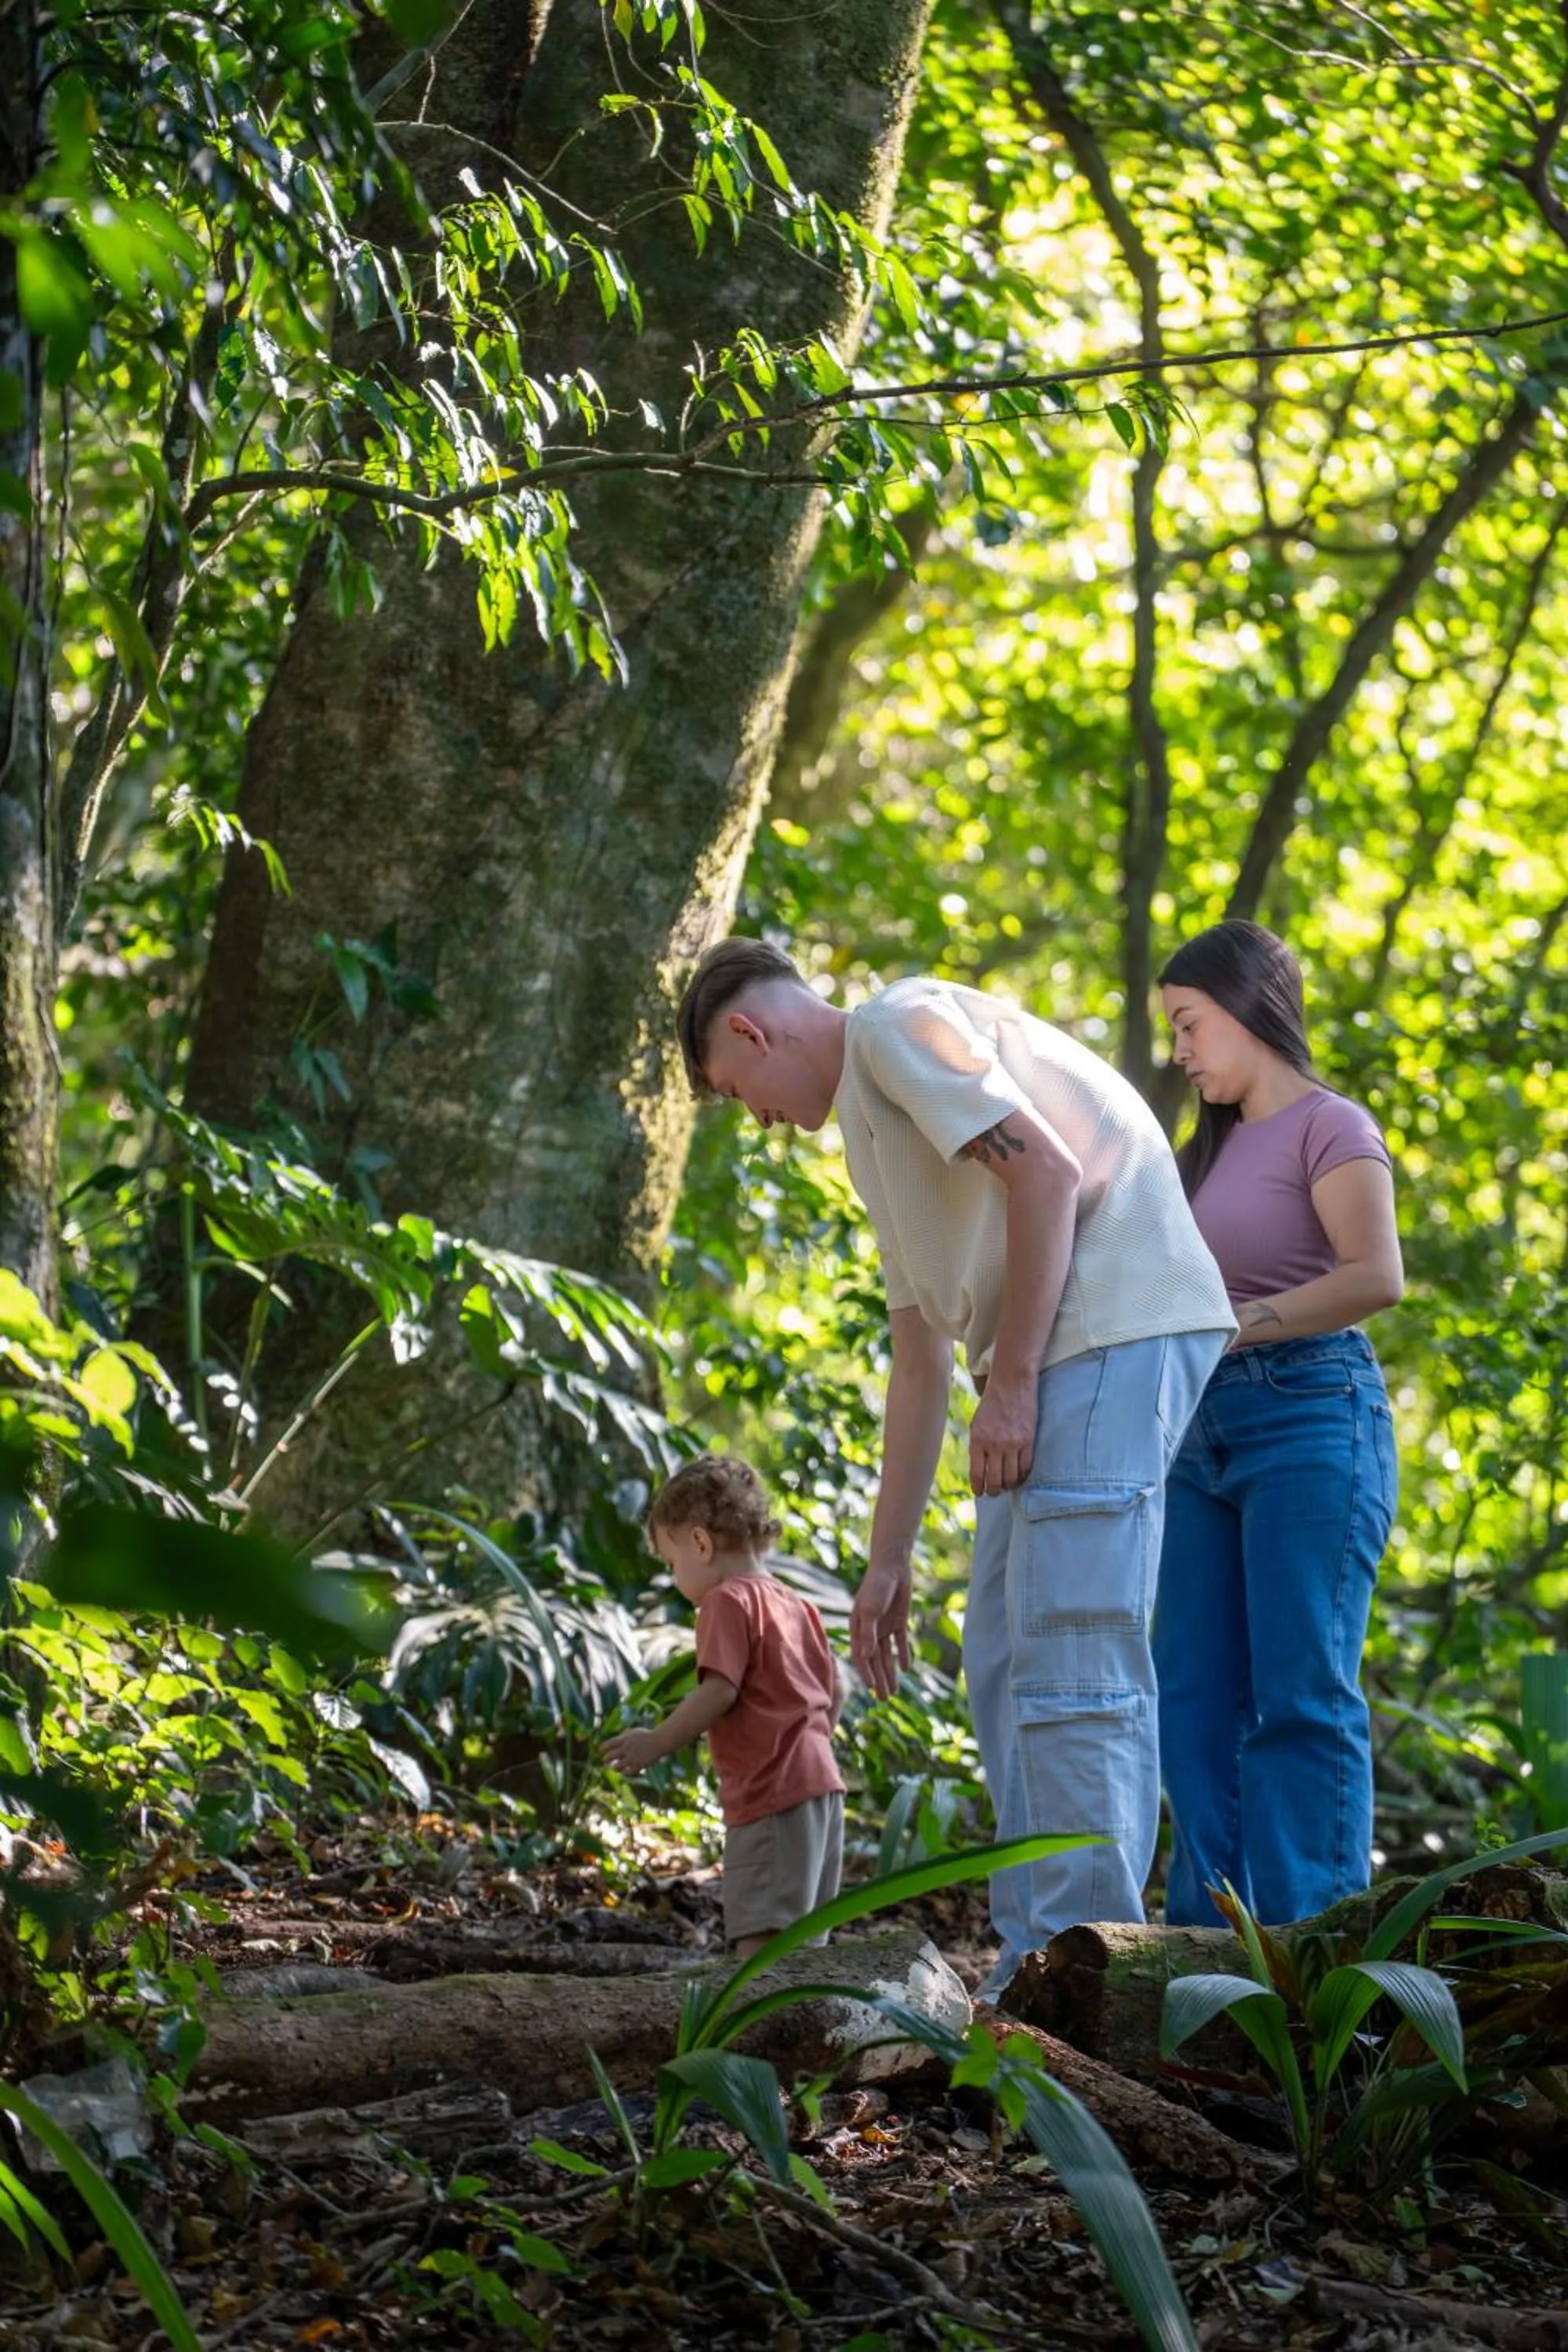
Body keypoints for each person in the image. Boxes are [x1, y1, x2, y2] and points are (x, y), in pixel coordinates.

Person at [676, 938, 1236, 1994]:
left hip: (1107, 1326)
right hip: (1053, 1349)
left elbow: (1047, 1172)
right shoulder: (869, 1125)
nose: (759, 1120)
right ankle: (1036, 1962)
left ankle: (1091, 1971)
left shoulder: (896, 1026)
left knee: (1070, 1657)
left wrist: (1012, 1382)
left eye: (737, 1093)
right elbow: (919, 1355)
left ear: (751, 1033)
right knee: (1003, 1656)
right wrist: (885, 1562)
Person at [1153, 920, 1403, 1928]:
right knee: (1192, 1699)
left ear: (1246, 1006)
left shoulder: (1328, 1126)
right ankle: (1202, 1959)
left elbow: (1374, 1276)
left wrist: (1235, 1327)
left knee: (1298, 1697)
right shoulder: (1197, 1157)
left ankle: (1316, 1955)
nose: (1177, 1048)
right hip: (1195, 1436)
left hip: (1309, 1415)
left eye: (1187, 1023)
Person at [603, 1453, 845, 1955]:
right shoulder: (798, 1605)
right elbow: (835, 1690)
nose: (675, 1578)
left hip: (772, 1795)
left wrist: (656, 1742)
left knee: (760, 1948)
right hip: (823, 1792)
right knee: (805, 1951)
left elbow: (719, 1690)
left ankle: (754, 2013)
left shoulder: (726, 1601)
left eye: (672, 1564)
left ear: (700, 1543)